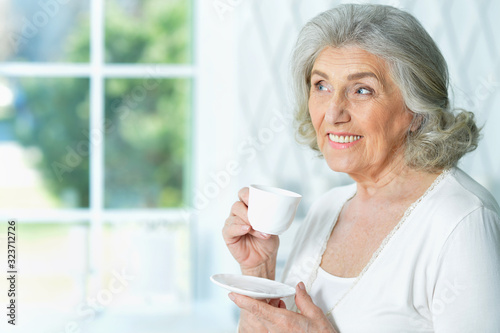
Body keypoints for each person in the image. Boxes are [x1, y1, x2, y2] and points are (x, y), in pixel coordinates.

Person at [222, 4, 500, 332]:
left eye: (361, 90)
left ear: (416, 110)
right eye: (321, 85)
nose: (334, 112)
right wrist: (260, 273)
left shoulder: (462, 220)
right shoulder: (327, 209)